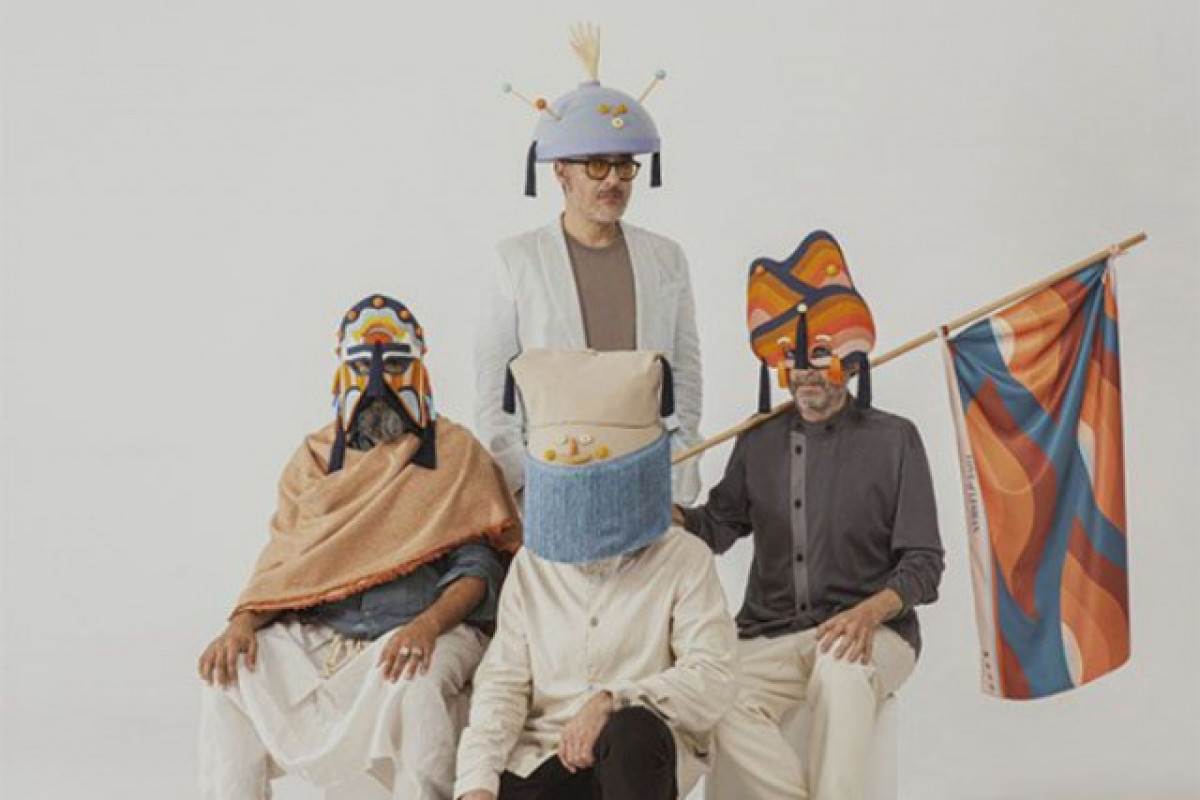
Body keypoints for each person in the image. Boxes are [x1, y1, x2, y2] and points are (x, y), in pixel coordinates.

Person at [197, 295, 521, 800]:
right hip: (326, 631)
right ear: (341, 374)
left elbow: (479, 568)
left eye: (393, 366)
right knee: (229, 674)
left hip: (425, 627)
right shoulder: (312, 459)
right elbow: (284, 563)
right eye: (361, 367)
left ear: (419, 370)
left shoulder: (456, 453)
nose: (377, 384)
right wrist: (241, 623)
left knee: (417, 682)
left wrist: (426, 626)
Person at [675, 231, 945, 800]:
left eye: (819, 357)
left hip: (874, 630)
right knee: (718, 698)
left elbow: (923, 564)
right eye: (793, 360)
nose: (806, 374)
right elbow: (717, 527)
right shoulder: (758, 440)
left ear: (848, 359)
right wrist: (674, 518)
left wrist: (868, 613)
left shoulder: (895, 440)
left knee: (841, 675)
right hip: (769, 634)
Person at [455, 349, 737, 800]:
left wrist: (613, 700)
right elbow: (503, 683)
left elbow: (713, 676)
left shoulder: (684, 558)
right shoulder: (532, 565)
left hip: (632, 761)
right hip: (543, 757)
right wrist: (476, 783)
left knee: (632, 731)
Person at [477, 24, 703, 503]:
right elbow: (495, 390)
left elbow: (685, 375)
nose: (613, 180)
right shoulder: (517, 260)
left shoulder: (666, 259)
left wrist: (678, 472)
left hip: (647, 476)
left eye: (624, 166)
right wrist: (525, 483)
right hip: (553, 479)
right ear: (560, 170)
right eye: (596, 165)